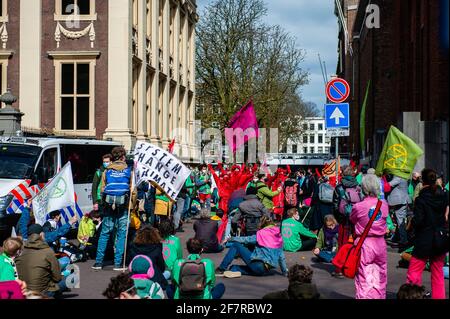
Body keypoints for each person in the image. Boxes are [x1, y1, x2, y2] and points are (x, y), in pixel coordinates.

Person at [406, 169, 448, 299]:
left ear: (422, 181)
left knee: (414, 272)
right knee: (437, 273)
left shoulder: (421, 199)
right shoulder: (444, 196)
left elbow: (418, 220)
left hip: (424, 239)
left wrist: (412, 223)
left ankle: (413, 296)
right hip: (440, 238)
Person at [350, 174, 389, 299]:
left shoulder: (358, 206)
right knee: (380, 275)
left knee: (364, 276)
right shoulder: (384, 205)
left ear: (364, 188)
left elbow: (352, 219)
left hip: (364, 244)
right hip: (380, 243)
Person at [93, 146, 132, 271]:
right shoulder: (128, 171)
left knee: (104, 234)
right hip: (123, 206)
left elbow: (102, 189)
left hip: (109, 206)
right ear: (123, 157)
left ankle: (98, 262)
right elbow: (133, 191)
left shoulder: (107, 171)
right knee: (121, 235)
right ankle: (118, 263)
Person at [216, 216, 287, 278]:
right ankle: (234, 268)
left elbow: (246, 239)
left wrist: (230, 238)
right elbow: (282, 257)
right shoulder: (278, 237)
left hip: (258, 265)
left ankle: (221, 269)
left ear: (262, 225)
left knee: (236, 245)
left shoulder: (262, 233)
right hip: (264, 271)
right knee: (236, 267)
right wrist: (284, 272)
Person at [15, 224, 65, 298]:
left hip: (24, 291)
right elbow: (57, 278)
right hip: (42, 292)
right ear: (41, 234)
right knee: (68, 279)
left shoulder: (20, 251)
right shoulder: (47, 251)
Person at [126, 225, 168, 290]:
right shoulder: (157, 247)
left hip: (135, 276)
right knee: (167, 273)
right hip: (152, 278)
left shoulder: (133, 247)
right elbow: (161, 267)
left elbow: (128, 263)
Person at [334, 166, 363, 247]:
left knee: (343, 239)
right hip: (356, 217)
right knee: (355, 238)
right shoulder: (358, 187)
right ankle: (354, 256)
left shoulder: (339, 187)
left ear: (343, 174)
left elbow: (335, 205)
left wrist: (338, 218)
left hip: (343, 218)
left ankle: (343, 256)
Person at [386, 174, 411, 251]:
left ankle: (404, 240)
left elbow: (390, 184)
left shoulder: (398, 176)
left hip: (400, 200)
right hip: (400, 200)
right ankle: (397, 237)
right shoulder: (404, 175)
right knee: (399, 219)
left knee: (400, 220)